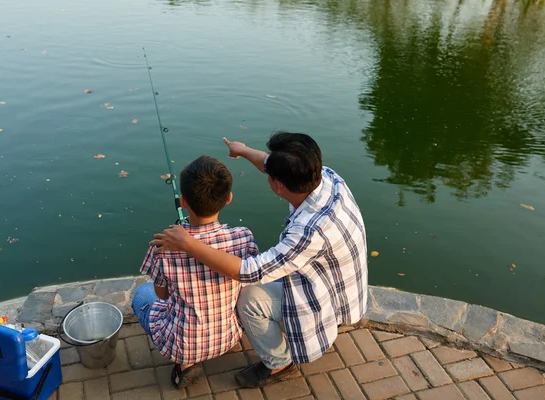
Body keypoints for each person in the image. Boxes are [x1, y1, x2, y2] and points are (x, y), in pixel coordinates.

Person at [151, 132, 368, 388]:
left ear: (276, 184)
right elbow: (273, 165)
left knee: (250, 298)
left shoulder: (309, 232)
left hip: (326, 295)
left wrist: (187, 242)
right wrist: (242, 150)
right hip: (341, 282)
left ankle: (280, 363)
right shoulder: (328, 178)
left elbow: (250, 272)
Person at [132, 155, 259, 389]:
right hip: (230, 335)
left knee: (142, 294)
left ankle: (187, 365)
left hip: (183, 345)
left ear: (183, 201)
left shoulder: (163, 246)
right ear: (228, 198)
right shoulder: (244, 237)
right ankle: (214, 345)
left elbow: (161, 295)